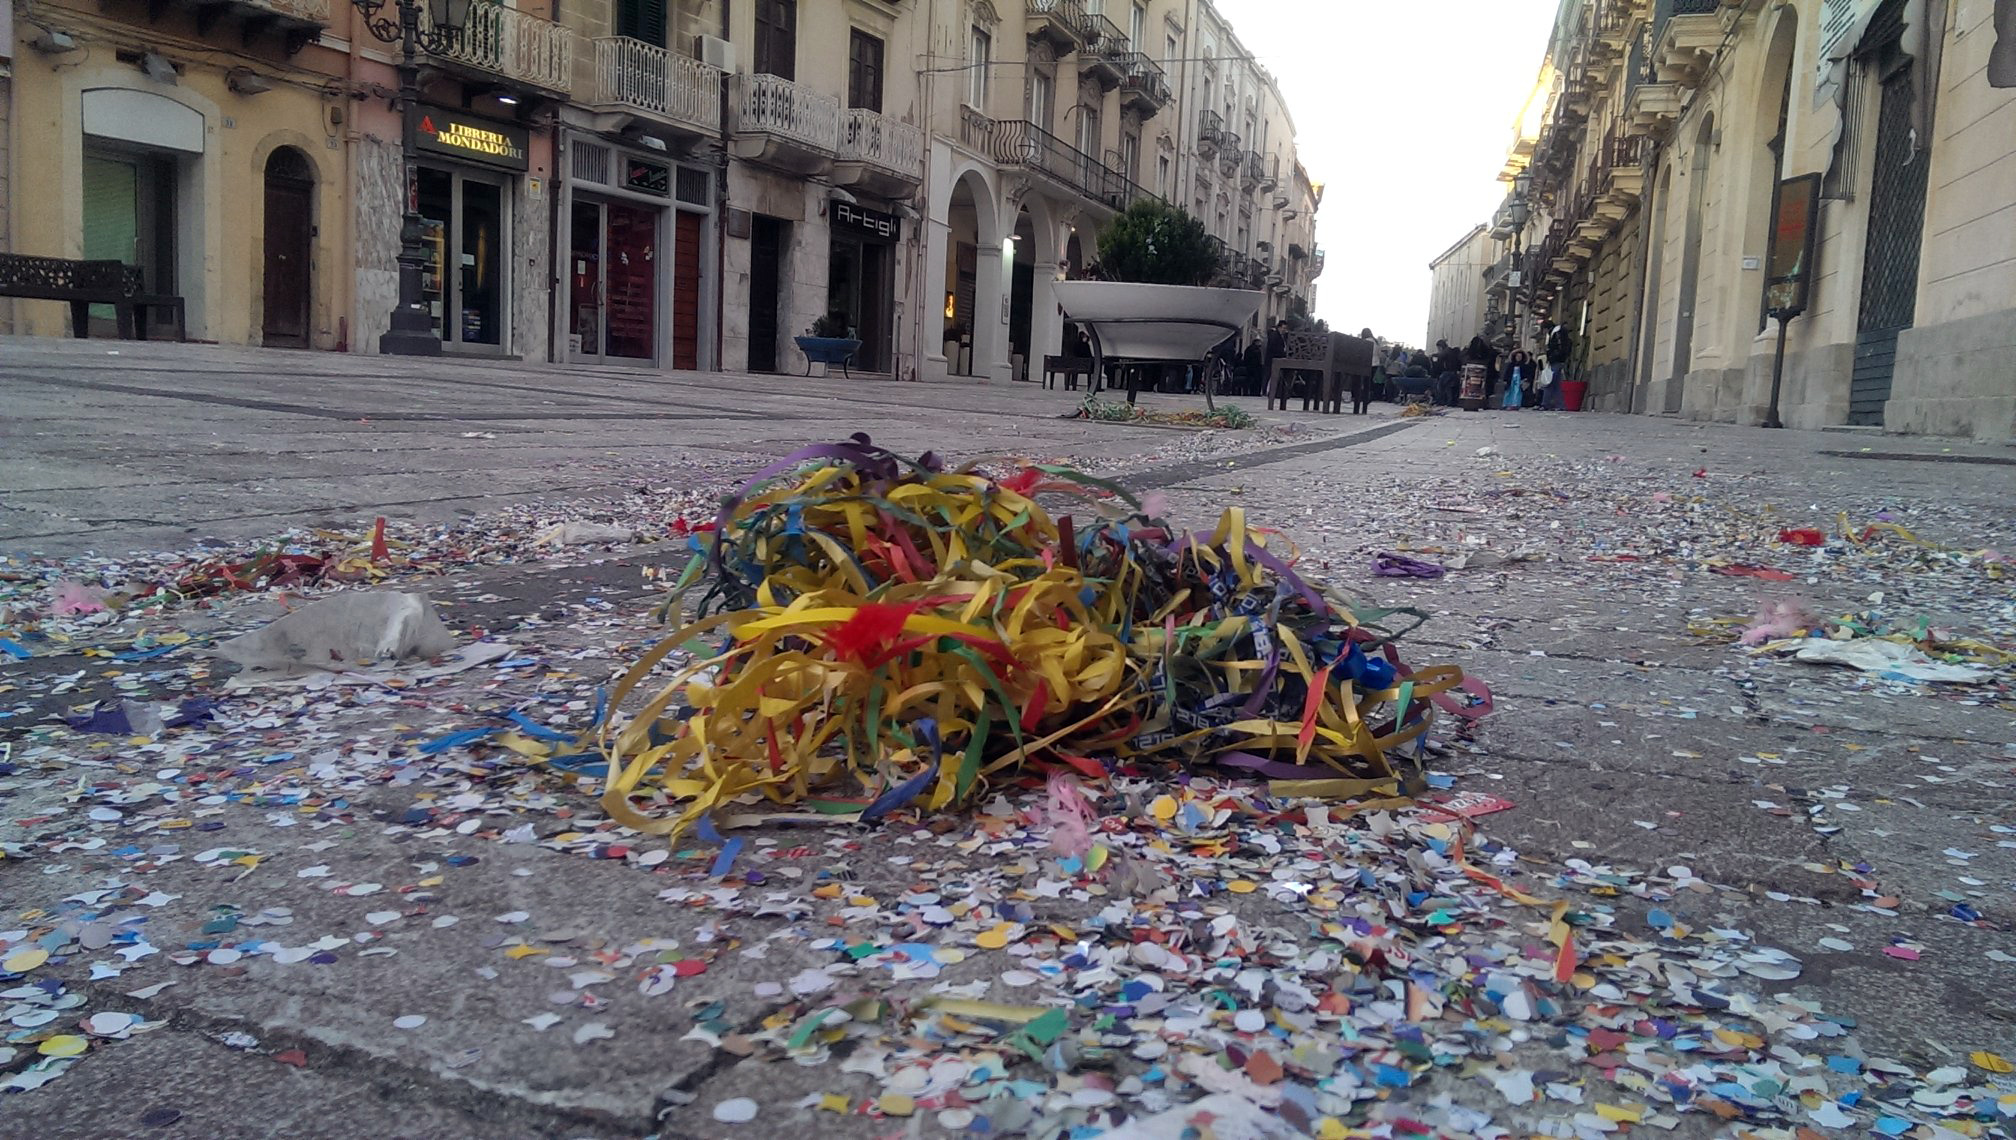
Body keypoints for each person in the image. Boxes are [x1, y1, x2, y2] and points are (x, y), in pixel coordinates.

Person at [1541, 320, 1573, 410]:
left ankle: (1545, 404)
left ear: (1546, 328)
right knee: (1556, 384)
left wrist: (1552, 357)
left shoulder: (1556, 333)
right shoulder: (1557, 332)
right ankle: (1560, 405)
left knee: (1549, 382)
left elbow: (1558, 348)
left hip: (1556, 360)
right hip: (1558, 360)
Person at [1265, 320, 1291, 411]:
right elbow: (1273, 348)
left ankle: (1275, 392)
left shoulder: (1281, 336)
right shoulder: (1275, 336)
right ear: (1279, 327)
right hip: (1273, 360)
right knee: (1271, 377)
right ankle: (1268, 392)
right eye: (1283, 328)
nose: (1284, 330)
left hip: (1277, 360)